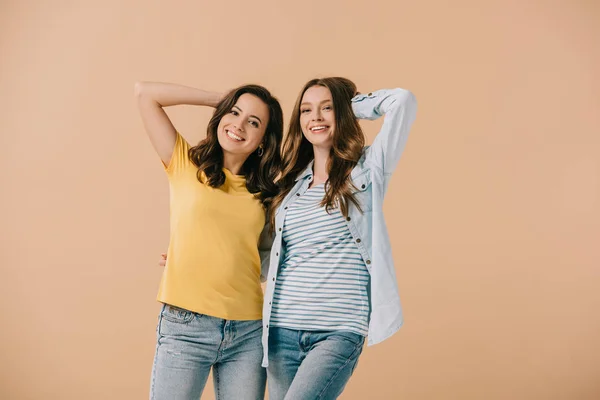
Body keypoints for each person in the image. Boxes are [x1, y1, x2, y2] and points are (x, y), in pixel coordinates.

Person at [262, 77, 417, 399]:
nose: (315, 117)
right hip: (281, 329)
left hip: (339, 328)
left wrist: (350, 106)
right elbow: (265, 252)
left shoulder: (367, 170)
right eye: (306, 110)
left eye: (326, 108)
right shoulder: (290, 185)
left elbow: (402, 101)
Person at [135, 81, 283, 400]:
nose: (239, 125)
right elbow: (145, 94)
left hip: (248, 330)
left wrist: (206, 256)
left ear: (262, 142)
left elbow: (265, 259)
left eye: (253, 122)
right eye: (234, 113)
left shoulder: (267, 194)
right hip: (186, 325)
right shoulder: (185, 164)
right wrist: (219, 99)